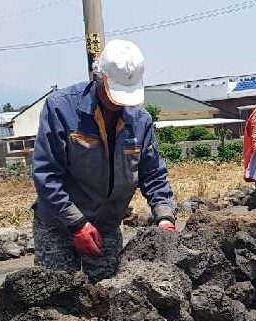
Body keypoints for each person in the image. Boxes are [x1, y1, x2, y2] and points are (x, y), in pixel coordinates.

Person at [31, 39, 177, 283]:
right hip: (58, 225)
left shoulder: (140, 121)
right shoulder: (62, 108)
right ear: (100, 77)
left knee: (107, 300)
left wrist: (164, 216)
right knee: (57, 301)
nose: (120, 102)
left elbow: (152, 174)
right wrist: (76, 223)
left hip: (106, 227)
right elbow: (46, 173)